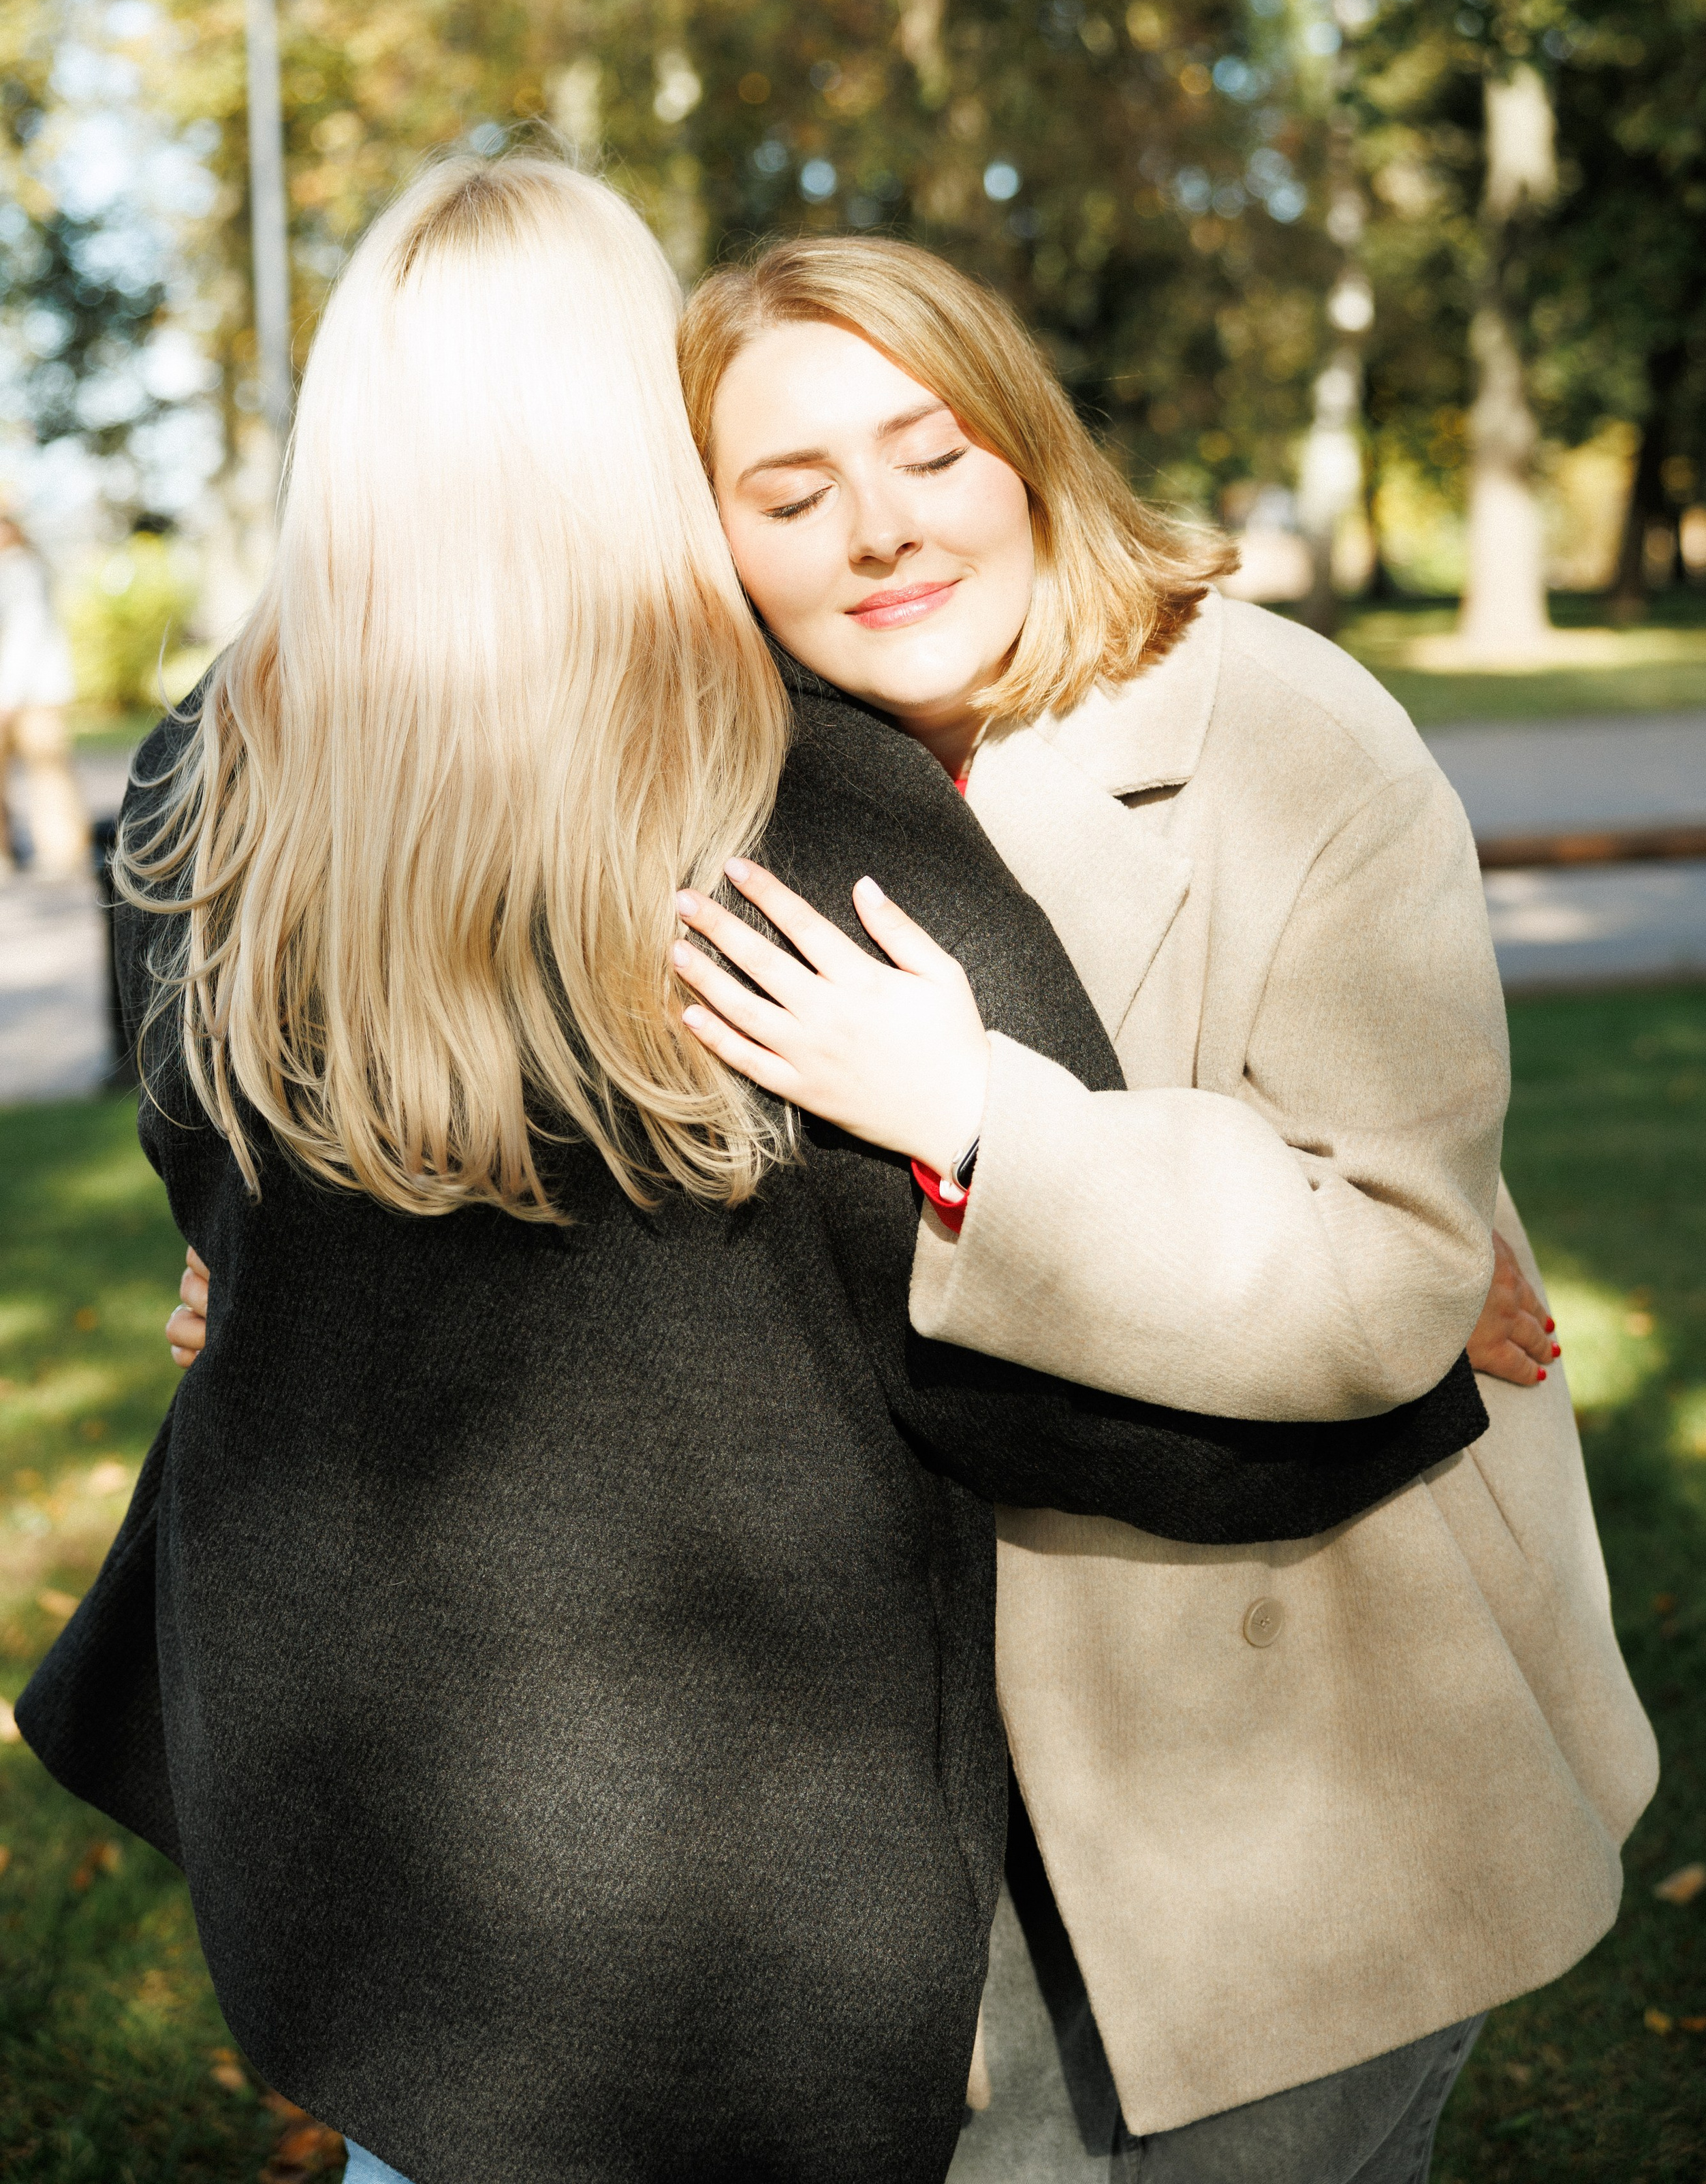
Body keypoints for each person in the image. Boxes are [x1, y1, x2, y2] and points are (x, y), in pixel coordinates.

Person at [19, 157, 1494, 2184]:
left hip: (382, 1845)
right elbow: (1014, 1353)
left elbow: (213, 1189)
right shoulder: (783, 789)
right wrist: (1390, 1387)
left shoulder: (206, 780)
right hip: (740, 1883)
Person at [652, 236, 1656, 2183]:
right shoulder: (713, 786)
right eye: (789, 494)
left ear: (1026, 446)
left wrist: (972, 1119)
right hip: (890, 1764)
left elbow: (1387, 1271)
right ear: (712, 543)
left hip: (1285, 1745)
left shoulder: (1284, 734)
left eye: (928, 452)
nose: (878, 531)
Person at [0, 508, 89, 879]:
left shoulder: (22, 569)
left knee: (49, 775)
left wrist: (7, 698)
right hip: (21, 690)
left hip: (34, 692)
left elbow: (27, 636)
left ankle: (63, 856)